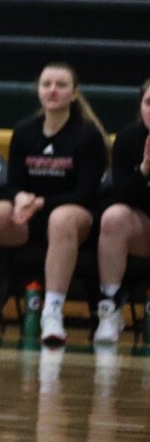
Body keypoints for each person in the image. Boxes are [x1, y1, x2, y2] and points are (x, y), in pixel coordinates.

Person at [0, 62, 108, 345]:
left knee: (61, 219)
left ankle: (51, 313)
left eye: (61, 85)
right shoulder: (24, 132)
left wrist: (41, 202)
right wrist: (18, 197)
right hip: (31, 216)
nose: (53, 90)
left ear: (74, 93)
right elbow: (14, 183)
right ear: (38, 91)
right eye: (46, 84)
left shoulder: (88, 135)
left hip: (75, 218)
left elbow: (86, 194)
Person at [95, 77, 150, 344]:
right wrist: (144, 171)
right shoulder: (128, 139)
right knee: (113, 217)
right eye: (149, 103)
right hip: (143, 228)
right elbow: (122, 196)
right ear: (140, 106)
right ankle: (110, 308)